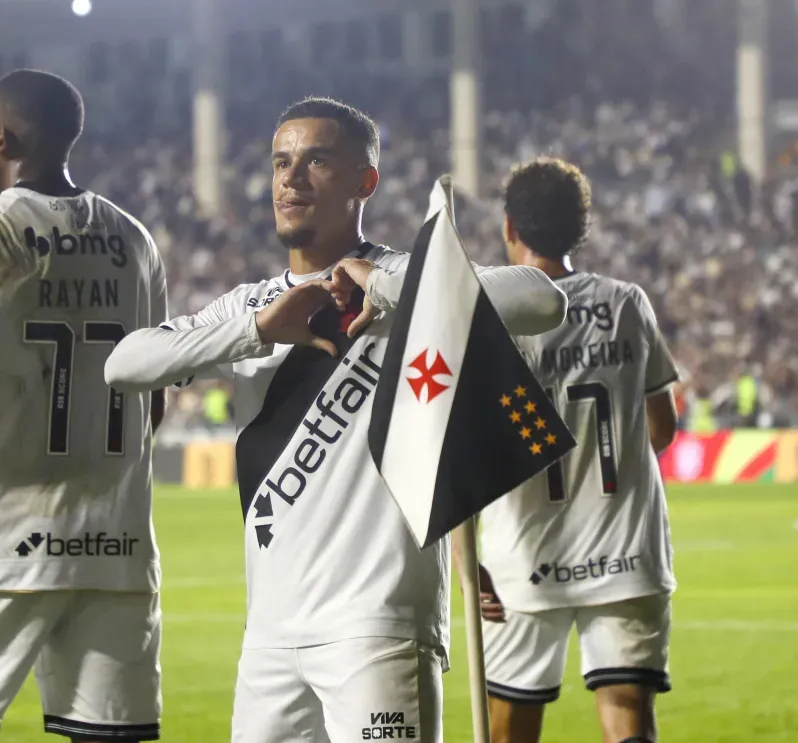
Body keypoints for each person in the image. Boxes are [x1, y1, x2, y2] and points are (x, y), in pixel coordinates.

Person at [104, 97, 566, 743]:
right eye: (280, 163)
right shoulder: (252, 305)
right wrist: (259, 329)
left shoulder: (406, 279)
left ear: (364, 181)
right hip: (270, 637)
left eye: (316, 161)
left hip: (378, 629)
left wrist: (385, 288)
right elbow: (123, 364)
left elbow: (543, 299)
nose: (291, 179)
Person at [0, 69, 168, 743]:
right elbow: (152, 399)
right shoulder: (136, 240)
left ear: (4, 138)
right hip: (117, 546)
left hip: (6, 545)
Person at [461, 157, 680, 743]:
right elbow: (662, 429)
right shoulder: (626, 302)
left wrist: (463, 560)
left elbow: (467, 450)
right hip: (626, 555)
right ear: (580, 228)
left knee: (511, 730)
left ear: (510, 226)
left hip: (521, 561)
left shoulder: (491, 317)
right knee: (629, 720)